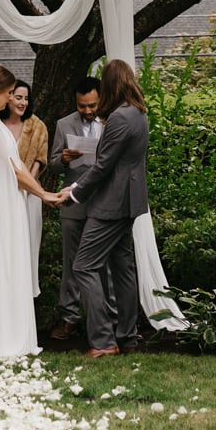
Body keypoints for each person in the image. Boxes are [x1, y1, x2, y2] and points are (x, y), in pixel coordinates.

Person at [0, 66, 64, 357]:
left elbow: (16, 169)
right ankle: (1, 335)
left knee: (8, 265)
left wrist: (43, 193)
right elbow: (15, 171)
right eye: (8, 92)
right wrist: (43, 195)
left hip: (6, 204)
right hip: (1, 208)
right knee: (2, 265)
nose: (11, 98)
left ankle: (7, 331)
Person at [63, 60, 150, 358]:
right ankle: (126, 338)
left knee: (84, 265)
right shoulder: (139, 114)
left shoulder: (119, 118)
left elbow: (102, 167)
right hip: (130, 201)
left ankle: (103, 341)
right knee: (122, 268)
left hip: (110, 204)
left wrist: (74, 192)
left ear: (111, 84)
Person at [45, 77, 104, 341]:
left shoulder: (111, 121)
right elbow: (53, 164)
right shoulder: (63, 124)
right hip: (71, 201)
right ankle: (69, 318)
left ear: (100, 99)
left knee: (102, 264)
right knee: (71, 261)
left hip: (102, 201)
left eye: (92, 105)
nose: (88, 111)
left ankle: (102, 318)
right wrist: (63, 159)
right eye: (82, 106)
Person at [0, 80, 49, 298]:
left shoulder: (38, 126)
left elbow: (39, 160)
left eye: (26, 98)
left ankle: (28, 290)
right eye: (18, 97)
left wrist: (27, 186)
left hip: (30, 194)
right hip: (1, 193)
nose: (22, 102)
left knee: (28, 241)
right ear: (9, 97)